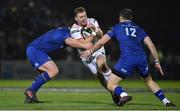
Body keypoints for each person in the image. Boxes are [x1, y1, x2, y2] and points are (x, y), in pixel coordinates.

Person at [82, 8, 176, 107]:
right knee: (149, 81)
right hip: (141, 58)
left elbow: (101, 42)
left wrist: (91, 51)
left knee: (111, 84)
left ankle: (124, 95)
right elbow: (151, 46)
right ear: (131, 18)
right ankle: (166, 101)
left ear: (120, 18)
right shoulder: (139, 28)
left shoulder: (117, 27)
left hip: (127, 59)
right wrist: (157, 62)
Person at [24, 27, 92, 103]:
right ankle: (30, 91)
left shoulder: (65, 31)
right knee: (53, 71)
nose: (80, 38)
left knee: (45, 75)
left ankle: (31, 95)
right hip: (35, 50)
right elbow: (69, 42)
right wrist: (85, 46)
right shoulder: (67, 34)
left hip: (35, 50)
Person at [70, 7, 119, 103]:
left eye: (85, 16)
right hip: (85, 55)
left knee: (102, 66)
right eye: (81, 17)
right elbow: (84, 44)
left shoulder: (92, 21)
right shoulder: (74, 30)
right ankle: (113, 92)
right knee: (100, 76)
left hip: (97, 48)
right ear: (76, 18)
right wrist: (93, 32)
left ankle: (118, 90)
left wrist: (96, 29)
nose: (84, 18)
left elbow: (101, 35)